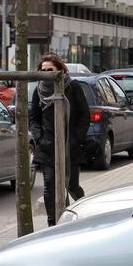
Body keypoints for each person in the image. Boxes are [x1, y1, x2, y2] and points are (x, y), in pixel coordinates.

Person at [29, 53, 90, 226]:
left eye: (50, 70)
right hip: (47, 147)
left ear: (60, 70)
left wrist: (75, 139)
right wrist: (39, 138)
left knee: (72, 186)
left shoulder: (73, 87)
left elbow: (85, 116)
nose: (47, 73)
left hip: (70, 147)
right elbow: (34, 118)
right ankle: (52, 223)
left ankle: (83, 216)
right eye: (44, 70)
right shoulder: (38, 90)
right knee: (49, 186)